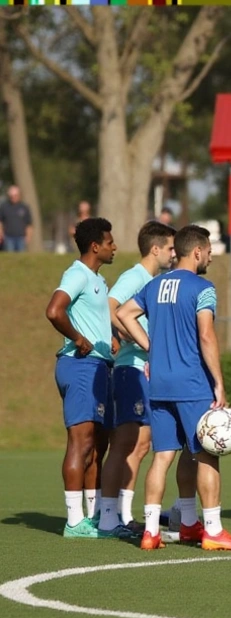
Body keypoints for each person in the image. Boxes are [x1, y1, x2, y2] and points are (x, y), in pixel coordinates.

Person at [118, 224, 231, 551]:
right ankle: (214, 531)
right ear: (196, 252)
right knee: (207, 455)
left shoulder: (155, 285)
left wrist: (151, 347)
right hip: (192, 383)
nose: (210, 257)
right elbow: (206, 335)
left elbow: (124, 313)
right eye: (208, 252)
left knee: (164, 456)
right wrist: (219, 384)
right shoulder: (202, 287)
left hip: (159, 384)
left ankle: (155, 531)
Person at [97, 221, 177, 536]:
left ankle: (124, 514)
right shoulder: (135, 277)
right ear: (155, 249)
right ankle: (106, 517)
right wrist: (133, 338)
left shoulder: (154, 280)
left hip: (144, 369)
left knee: (141, 444)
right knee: (124, 442)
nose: (174, 253)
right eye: (170, 248)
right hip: (130, 368)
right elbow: (111, 307)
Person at [45, 217, 116, 538]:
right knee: (81, 442)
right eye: (110, 242)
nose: (115, 247)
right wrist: (76, 337)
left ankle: (96, 517)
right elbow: (54, 310)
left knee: (98, 445)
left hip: (99, 367)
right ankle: (75, 521)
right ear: (95, 246)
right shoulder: (77, 274)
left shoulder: (97, 279)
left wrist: (113, 337)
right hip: (80, 366)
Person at [1, 184, 33, 252]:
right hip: (8, 237)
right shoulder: (4, 207)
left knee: (20, 258)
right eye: (11, 196)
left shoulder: (24, 207)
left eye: (15, 196)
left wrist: (28, 236)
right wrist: (1, 233)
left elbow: (29, 224)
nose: (13, 197)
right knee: (10, 257)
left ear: (19, 195)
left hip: (21, 237)